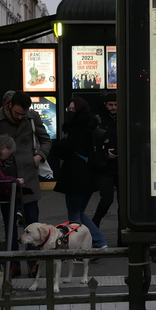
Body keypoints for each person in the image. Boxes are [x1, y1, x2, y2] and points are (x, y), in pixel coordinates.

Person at [0, 90, 52, 261]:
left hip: (29, 176)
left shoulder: (32, 117)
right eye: (17, 113)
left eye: (23, 114)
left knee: (33, 222)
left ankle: (34, 261)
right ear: (10, 105)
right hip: (6, 178)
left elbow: (46, 140)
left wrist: (39, 157)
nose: (20, 117)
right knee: (9, 222)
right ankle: (13, 262)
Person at [52, 94, 108, 248]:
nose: (70, 111)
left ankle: (95, 242)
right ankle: (98, 242)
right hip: (89, 176)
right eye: (68, 108)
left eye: (72, 109)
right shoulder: (91, 128)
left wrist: (57, 146)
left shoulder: (75, 130)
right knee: (80, 213)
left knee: (75, 215)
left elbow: (65, 150)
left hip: (75, 177)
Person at [91, 92, 119, 234]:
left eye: (115, 105)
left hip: (121, 166)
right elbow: (93, 144)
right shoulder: (99, 120)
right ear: (105, 105)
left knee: (124, 204)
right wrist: (104, 154)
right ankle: (94, 226)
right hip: (105, 167)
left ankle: (122, 236)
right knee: (106, 200)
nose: (113, 107)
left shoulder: (123, 117)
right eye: (110, 105)